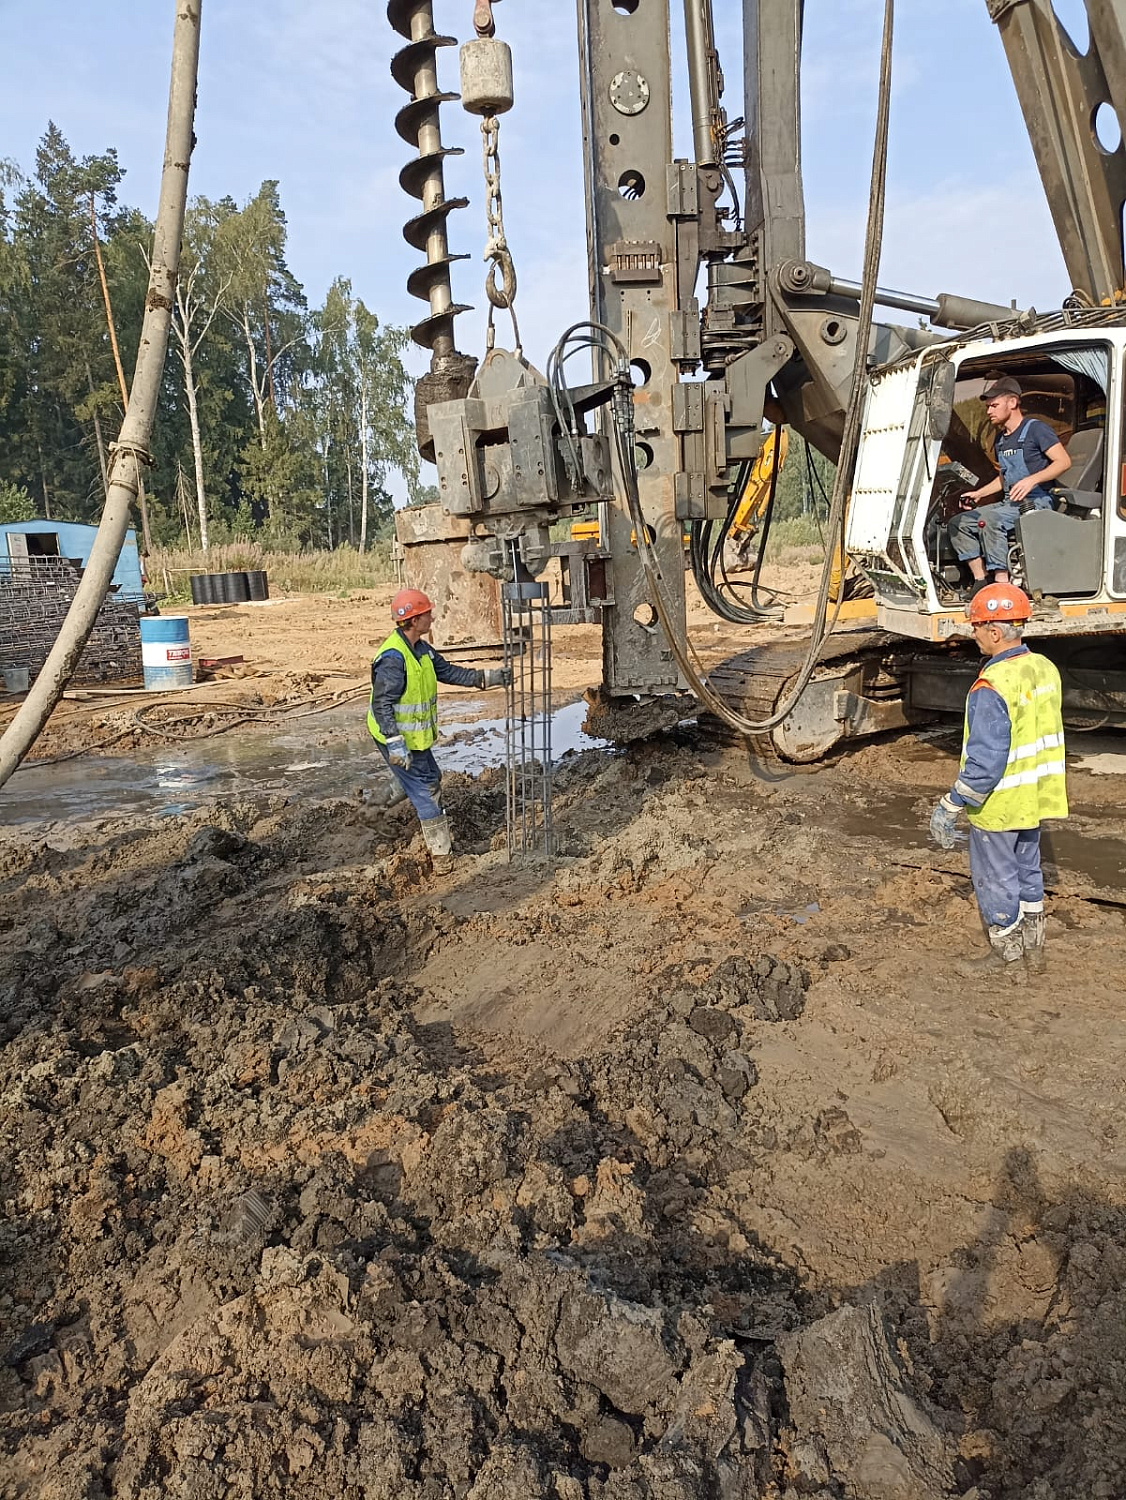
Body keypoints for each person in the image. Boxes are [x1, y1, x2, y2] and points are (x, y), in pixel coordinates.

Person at [929, 582, 1067, 975]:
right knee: (1028, 870)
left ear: (994, 631)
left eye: (976, 627)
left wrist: (952, 802)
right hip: (1035, 797)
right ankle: (1034, 950)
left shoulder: (992, 685)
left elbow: (986, 761)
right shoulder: (1044, 668)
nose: (972, 633)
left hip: (1000, 804)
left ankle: (1006, 955)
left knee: (995, 878)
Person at [367, 588, 511, 870]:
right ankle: (443, 859)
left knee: (429, 777)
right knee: (426, 791)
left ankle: (371, 809)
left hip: (414, 737)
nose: (432, 616)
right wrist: (395, 741)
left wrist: (489, 677)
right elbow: (382, 703)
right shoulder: (393, 659)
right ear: (413, 620)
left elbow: (450, 673)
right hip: (393, 736)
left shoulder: (421, 650)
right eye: (427, 613)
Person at [947, 375, 1071, 592]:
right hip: (1010, 503)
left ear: (1012, 403)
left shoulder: (1035, 430)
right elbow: (1005, 478)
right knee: (959, 523)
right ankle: (980, 580)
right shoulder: (1001, 439)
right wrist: (978, 494)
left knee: (990, 519)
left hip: (1037, 501)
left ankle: (1002, 583)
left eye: (994, 405)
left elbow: (1063, 462)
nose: (988, 411)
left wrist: (1032, 479)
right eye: (987, 407)